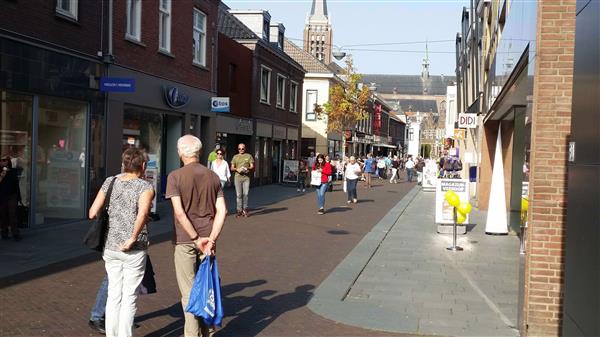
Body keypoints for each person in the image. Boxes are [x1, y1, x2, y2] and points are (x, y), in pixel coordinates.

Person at [88, 148, 154, 337]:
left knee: (115, 293)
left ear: (124, 164)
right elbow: (142, 214)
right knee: (129, 297)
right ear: (142, 166)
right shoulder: (145, 187)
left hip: (110, 246)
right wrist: (132, 237)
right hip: (135, 247)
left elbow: (92, 212)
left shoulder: (110, 181)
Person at [166, 135, 227, 337]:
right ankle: (207, 330)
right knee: (207, 286)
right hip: (208, 240)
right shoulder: (213, 176)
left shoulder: (175, 177)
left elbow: (179, 212)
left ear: (180, 152)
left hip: (185, 240)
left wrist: (195, 238)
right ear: (199, 152)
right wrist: (211, 238)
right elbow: (222, 211)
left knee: (189, 292)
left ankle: (192, 334)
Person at [0, 155, 21, 241]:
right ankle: (4, 233)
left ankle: (15, 233)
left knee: (13, 214)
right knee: (3, 215)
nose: (3, 162)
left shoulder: (13, 171)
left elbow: (16, 184)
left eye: (5, 160)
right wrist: (2, 175)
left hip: (12, 195)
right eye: (1, 160)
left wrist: (19, 197)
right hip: (2, 196)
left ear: (8, 162)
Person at [230, 143, 254, 217]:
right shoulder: (235, 157)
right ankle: (239, 210)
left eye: (242, 148)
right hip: (237, 178)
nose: (241, 150)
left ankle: (245, 209)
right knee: (239, 195)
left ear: (245, 149)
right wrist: (237, 169)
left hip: (246, 178)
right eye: (239, 149)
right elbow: (232, 168)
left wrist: (247, 168)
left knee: (245, 194)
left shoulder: (248, 156)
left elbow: (252, 166)